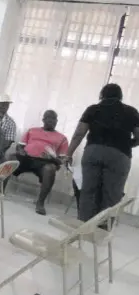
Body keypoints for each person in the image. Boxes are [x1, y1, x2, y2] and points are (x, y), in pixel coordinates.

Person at [66, 84, 139, 222]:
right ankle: (103, 227)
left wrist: (68, 154)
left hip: (94, 151)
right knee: (112, 193)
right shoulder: (131, 112)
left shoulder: (93, 109)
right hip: (119, 154)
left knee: (88, 191)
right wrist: (129, 143)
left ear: (102, 95)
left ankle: (83, 224)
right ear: (120, 96)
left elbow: (79, 133)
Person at [11, 110, 69, 215]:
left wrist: (52, 158)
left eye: (54, 119)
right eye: (49, 118)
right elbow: (20, 146)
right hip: (27, 158)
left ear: (57, 121)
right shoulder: (32, 130)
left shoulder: (62, 138)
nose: (52, 121)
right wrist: (21, 151)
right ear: (43, 120)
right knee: (10, 158)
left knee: (50, 169)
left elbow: (62, 160)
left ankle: (40, 203)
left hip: (45, 162)